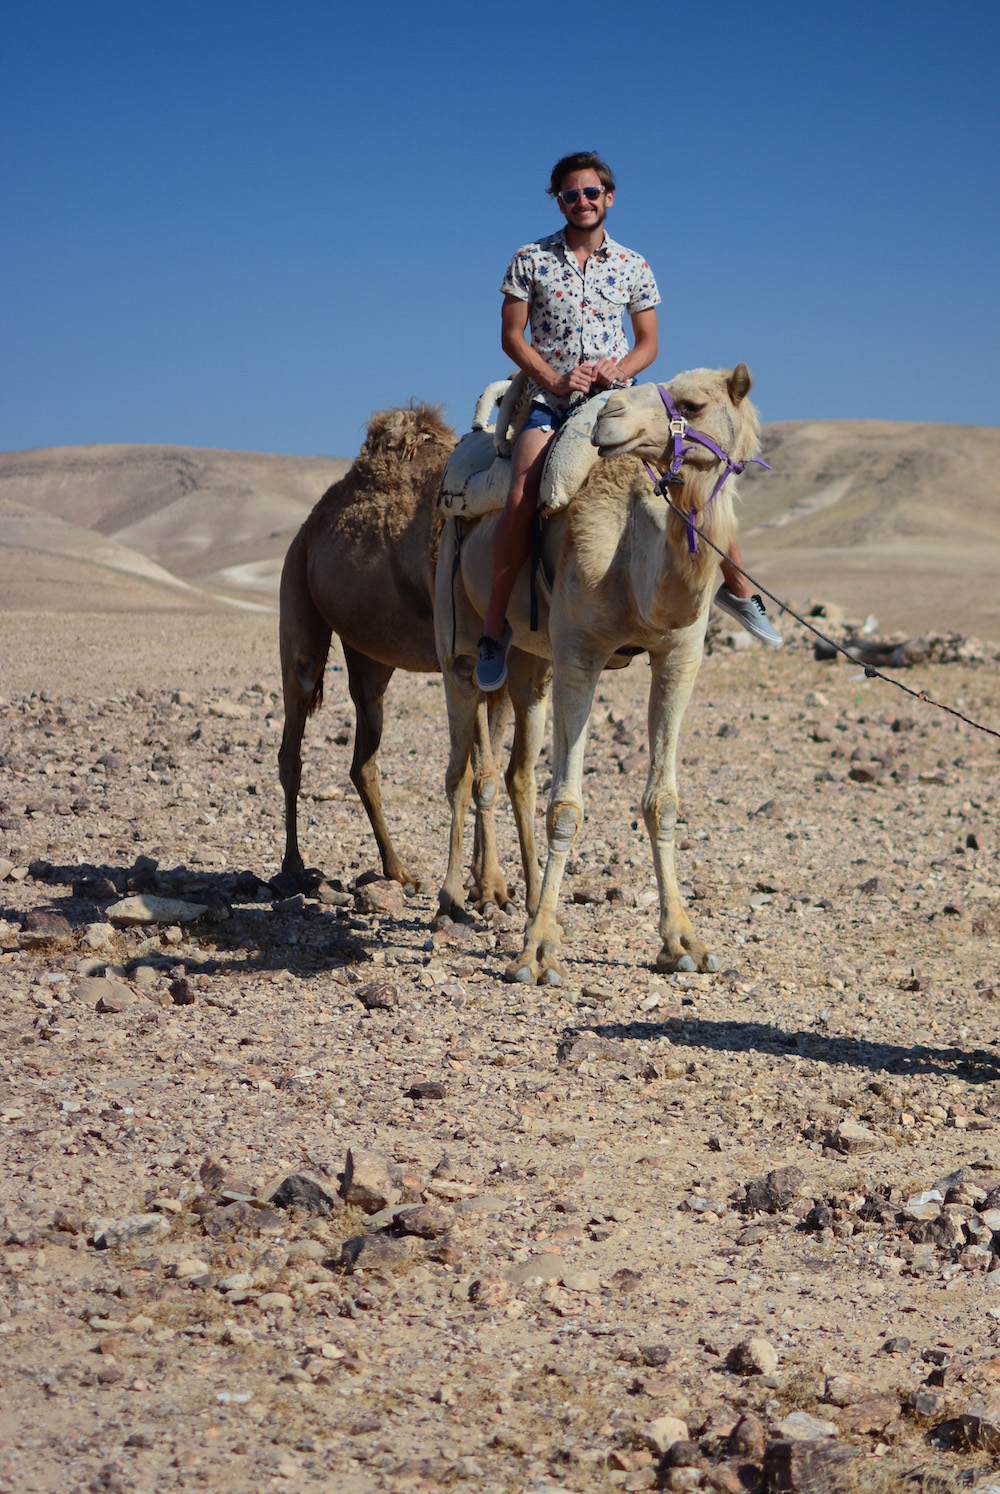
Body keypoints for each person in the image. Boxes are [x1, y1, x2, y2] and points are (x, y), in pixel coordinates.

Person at [475, 152, 779, 692]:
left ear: (608, 197)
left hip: (620, 398)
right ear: (559, 201)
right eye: (571, 195)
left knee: (697, 471)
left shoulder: (634, 264)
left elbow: (648, 343)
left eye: (592, 193)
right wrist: (556, 377)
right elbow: (512, 336)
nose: (583, 202)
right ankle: (494, 630)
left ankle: (738, 588)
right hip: (551, 399)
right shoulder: (530, 258)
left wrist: (621, 368)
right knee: (522, 495)